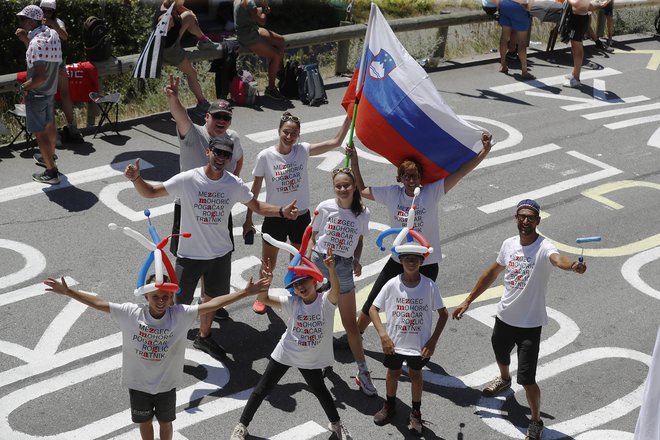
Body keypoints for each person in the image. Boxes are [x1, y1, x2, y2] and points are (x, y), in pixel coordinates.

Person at [123, 137, 298, 361]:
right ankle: (164, 339)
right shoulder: (188, 179)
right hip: (189, 256)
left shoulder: (232, 183)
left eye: (226, 155)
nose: (221, 158)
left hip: (220, 254)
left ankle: (204, 336)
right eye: (217, 152)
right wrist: (136, 178)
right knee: (176, 304)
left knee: (212, 299)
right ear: (208, 152)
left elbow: (257, 205)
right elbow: (151, 192)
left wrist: (282, 211)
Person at [43, 274, 269, 440]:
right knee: (144, 423)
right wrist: (69, 292)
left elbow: (212, 304)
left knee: (165, 423)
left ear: (172, 297)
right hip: (138, 383)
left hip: (165, 385)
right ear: (146, 296)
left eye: (165, 296)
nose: (161, 300)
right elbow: (99, 303)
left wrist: (245, 293)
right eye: (155, 297)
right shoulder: (131, 313)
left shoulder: (180, 315)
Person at [452, 199, 587, 440]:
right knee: (500, 353)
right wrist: (467, 300)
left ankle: (536, 422)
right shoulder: (509, 244)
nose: (525, 221)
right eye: (521, 216)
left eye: (530, 217)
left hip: (529, 326)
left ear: (538, 220)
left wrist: (573, 266)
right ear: (516, 218)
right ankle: (504, 380)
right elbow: (491, 273)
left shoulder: (545, 247)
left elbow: (559, 260)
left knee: (527, 380)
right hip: (504, 318)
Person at [348, 132, 493, 336]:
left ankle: (419, 345)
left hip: (427, 263)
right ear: (400, 177)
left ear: (420, 178)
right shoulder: (391, 193)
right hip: (398, 260)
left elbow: (461, 172)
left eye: (415, 175)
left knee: (416, 310)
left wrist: (484, 150)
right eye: (406, 175)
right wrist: (354, 160)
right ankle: (353, 337)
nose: (410, 180)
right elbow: (361, 189)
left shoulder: (431, 192)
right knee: (374, 298)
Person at [230, 249, 353, 440]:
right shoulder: (292, 302)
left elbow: (336, 290)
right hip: (287, 351)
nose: (300, 287)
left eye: (303, 281)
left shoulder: (326, 302)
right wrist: (266, 284)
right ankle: (241, 426)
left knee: (320, 390)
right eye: (295, 285)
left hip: (309, 358)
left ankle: (336, 424)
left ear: (314, 280)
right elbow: (263, 300)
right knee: (262, 388)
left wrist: (331, 270)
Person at [243, 112, 351, 315]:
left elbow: (336, 141)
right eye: (286, 132)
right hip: (275, 217)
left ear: (299, 135)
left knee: (302, 261)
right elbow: (254, 192)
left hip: (300, 217)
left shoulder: (302, 150)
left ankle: (300, 294)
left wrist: (349, 117)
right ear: (279, 131)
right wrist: (249, 218)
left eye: (294, 134)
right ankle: (261, 296)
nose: (289, 137)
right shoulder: (265, 156)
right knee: (268, 263)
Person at [165, 75, 243, 322]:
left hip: (217, 209)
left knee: (218, 256)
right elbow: (180, 117)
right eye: (216, 116)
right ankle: (181, 312)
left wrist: (232, 188)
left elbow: (238, 159)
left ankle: (209, 299)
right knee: (190, 259)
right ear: (206, 117)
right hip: (187, 210)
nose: (221, 121)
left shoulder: (233, 139)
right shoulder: (193, 134)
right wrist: (173, 98)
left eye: (226, 117)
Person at [308, 167, 377, 396]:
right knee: (319, 317)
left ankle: (363, 372)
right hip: (319, 265)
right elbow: (312, 235)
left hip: (344, 268)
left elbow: (358, 240)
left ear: (354, 186)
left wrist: (356, 260)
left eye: (347, 185)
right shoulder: (325, 207)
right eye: (338, 185)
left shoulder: (363, 213)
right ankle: (320, 361)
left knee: (350, 324)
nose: (343, 189)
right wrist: (307, 264)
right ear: (333, 187)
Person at [369, 248, 448, 436]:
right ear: (401, 261)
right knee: (392, 374)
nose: (411, 262)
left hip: (419, 346)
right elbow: (373, 309)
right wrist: (383, 336)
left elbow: (443, 314)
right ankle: (389, 404)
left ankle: (416, 411)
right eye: (406, 259)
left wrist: (433, 341)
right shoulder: (391, 284)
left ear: (421, 262)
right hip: (394, 344)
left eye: (415, 259)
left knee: (416, 375)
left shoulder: (429, 286)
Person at [15, 5, 62, 185]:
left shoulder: (36, 43)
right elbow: (39, 56)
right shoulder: (51, 35)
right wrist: (24, 40)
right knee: (49, 126)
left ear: (31, 21)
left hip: (38, 93)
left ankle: (51, 171)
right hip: (50, 90)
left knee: (40, 133)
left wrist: (24, 87)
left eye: (23, 20)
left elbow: (39, 76)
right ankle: (48, 157)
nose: (21, 23)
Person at [157, 0, 220, 115]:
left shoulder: (166, 4)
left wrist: (189, 11)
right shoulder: (168, 18)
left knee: (189, 16)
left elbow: (180, 7)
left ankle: (204, 41)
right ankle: (202, 103)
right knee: (192, 73)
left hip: (172, 43)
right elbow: (160, 30)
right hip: (170, 51)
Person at [40, 0, 83, 147]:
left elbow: (65, 36)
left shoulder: (57, 22)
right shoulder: (35, 23)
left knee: (64, 95)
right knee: (49, 99)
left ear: (54, 12)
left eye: (49, 11)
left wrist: (54, 24)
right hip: (45, 65)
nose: (46, 13)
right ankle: (54, 134)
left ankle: (71, 127)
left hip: (57, 64)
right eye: (43, 10)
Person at [233, 0, 285, 100]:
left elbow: (250, 13)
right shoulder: (249, 2)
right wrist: (264, 8)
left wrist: (262, 9)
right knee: (276, 55)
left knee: (281, 41)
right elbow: (262, 21)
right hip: (248, 36)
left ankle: (277, 70)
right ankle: (271, 88)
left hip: (252, 29)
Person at [498, 0, 535, 80]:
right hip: (519, 6)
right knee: (522, 42)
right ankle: (524, 71)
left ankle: (503, 65)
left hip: (505, 4)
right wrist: (529, 7)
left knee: (504, 37)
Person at [563, 0, 595, 88]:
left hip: (579, 19)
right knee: (575, 46)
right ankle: (574, 73)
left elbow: (577, 4)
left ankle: (576, 78)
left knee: (577, 48)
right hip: (578, 18)